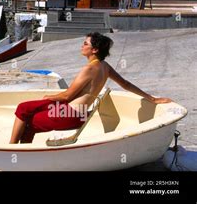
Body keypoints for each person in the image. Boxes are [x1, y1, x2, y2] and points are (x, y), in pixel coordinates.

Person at [9, 32, 172, 144]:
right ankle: (18, 152)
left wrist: (47, 99)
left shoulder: (88, 69)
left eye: (85, 44)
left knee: (26, 117)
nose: (82, 46)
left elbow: (67, 96)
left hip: (68, 114)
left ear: (94, 50)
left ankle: (11, 150)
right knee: (25, 110)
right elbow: (126, 84)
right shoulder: (104, 66)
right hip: (77, 113)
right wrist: (151, 98)